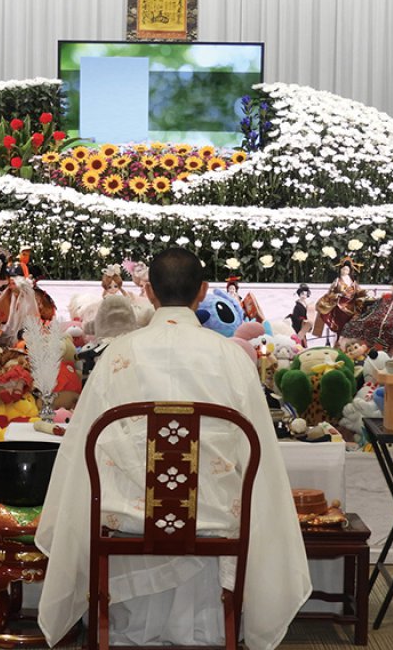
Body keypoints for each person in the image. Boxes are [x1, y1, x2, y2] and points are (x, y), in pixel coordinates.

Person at [36, 248, 310, 650]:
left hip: (129, 513)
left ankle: (122, 628)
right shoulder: (231, 357)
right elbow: (259, 452)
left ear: (148, 292)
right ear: (202, 292)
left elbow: (82, 446)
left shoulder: (117, 355)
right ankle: (212, 629)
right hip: (211, 512)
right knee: (234, 488)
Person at [313, 256, 368, 340]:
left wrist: (363, 293)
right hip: (340, 305)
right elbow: (330, 292)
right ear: (340, 270)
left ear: (349, 271)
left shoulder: (353, 282)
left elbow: (359, 291)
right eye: (343, 269)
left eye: (347, 270)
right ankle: (338, 340)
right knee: (341, 326)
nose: (344, 271)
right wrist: (336, 295)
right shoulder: (337, 281)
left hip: (352, 304)